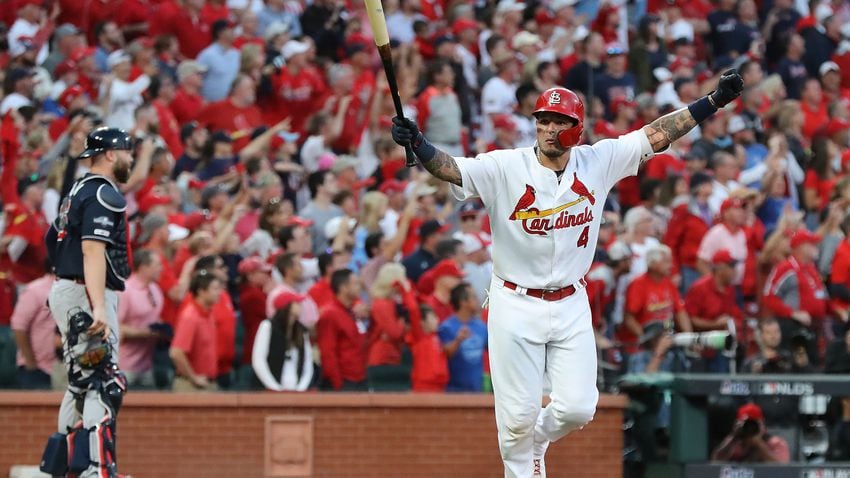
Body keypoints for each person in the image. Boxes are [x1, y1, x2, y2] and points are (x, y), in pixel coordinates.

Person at [391, 69, 743, 476]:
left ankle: (539, 441)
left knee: (579, 407)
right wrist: (419, 143)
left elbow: (656, 134)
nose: (549, 128)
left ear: (578, 129)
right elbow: (453, 169)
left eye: (560, 121)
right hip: (514, 300)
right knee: (516, 421)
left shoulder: (598, 161)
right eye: (543, 120)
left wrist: (712, 101)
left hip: (571, 299)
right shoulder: (505, 166)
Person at [44, 127, 134, 478]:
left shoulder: (78, 188)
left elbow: (52, 238)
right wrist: (96, 305)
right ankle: (96, 472)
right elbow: (92, 250)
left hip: (73, 289)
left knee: (81, 384)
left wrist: (64, 283)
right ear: (111, 154)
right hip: (86, 292)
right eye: (127, 151)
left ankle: (63, 468)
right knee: (103, 381)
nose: (130, 157)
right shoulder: (102, 193)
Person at [316, 268, 369, 391]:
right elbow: (328, 353)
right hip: (344, 382)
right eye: (355, 283)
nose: (359, 286)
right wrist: (338, 385)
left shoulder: (352, 312)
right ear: (343, 287)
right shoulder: (330, 314)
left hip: (360, 378)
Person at [251, 291, 314, 391]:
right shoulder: (267, 327)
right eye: (296, 303)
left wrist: (300, 388)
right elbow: (258, 361)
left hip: (296, 392)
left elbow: (308, 364)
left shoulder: (301, 331)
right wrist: (274, 388)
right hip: (270, 391)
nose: (300, 306)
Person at [438, 283, 488, 392]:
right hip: (453, 391)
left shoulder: (481, 327)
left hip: (477, 390)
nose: (477, 300)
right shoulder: (446, 327)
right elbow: (445, 354)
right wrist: (458, 340)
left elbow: (493, 351)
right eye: (473, 297)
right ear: (463, 302)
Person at [711, 403, 791, 463]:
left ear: (762, 424)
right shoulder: (735, 442)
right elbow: (716, 461)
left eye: (754, 424)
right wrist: (734, 436)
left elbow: (782, 469)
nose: (750, 428)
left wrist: (759, 444)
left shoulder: (775, 443)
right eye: (747, 424)